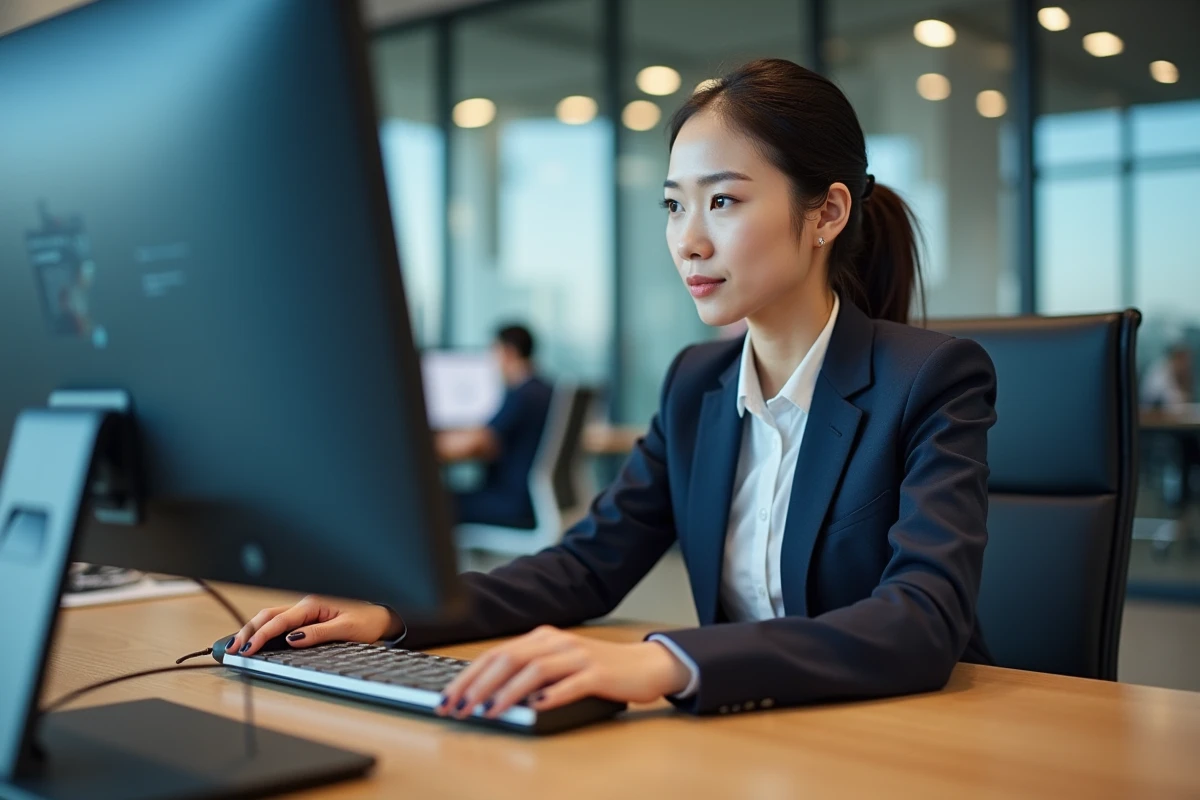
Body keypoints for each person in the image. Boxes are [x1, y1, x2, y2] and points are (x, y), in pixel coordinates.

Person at [230, 58, 998, 720]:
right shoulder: (697, 384)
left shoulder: (929, 379)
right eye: (673, 204)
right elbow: (586, 566)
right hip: (763, 737)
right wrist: (394, 612)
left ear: (826, 212)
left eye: (722, 200)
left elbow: (921, 624)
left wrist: (671, 661)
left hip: (906, 736)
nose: (688, 239)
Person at [436, 324, 553, 529]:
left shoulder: (522, 396)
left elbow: (477, 443)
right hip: (535, 501)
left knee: (434, 502)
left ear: (508, 352)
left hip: (511, 503)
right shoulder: (546, 391)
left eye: (493, 352)